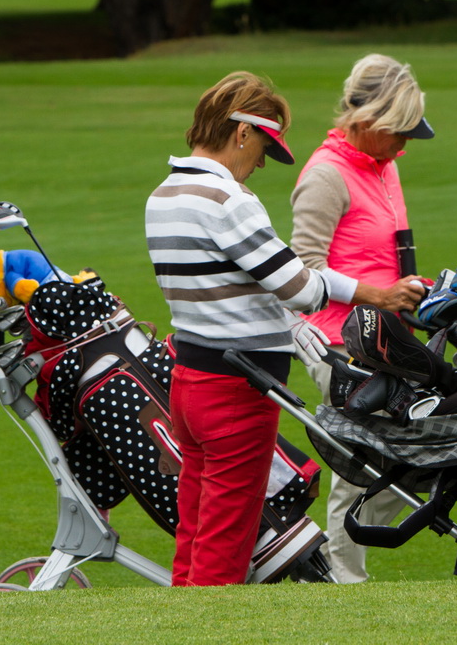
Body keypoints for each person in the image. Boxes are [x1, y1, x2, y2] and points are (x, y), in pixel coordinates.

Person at [145, 71, 342, 587]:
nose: (261, 163)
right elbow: (300, 288)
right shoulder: (229, 199)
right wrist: (362, 290)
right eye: (263, 147)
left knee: (194, 529)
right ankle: (208, 626)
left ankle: (180, 621)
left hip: (189, 381)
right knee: (225, 543)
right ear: (242, 132)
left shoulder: (163, 194)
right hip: (238, 387)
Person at [290, 53, 436, 583]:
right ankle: (344, 580)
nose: (405, 145)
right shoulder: (326, 176)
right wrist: (380, 295)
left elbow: (380, 254)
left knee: (421, 445)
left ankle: (339, 565)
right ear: (369, 120)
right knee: (360, 463)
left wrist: (411, 291)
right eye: (400, 132)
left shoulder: (383, 165)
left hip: (385, 335)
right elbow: (302, 273)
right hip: (336, 341)